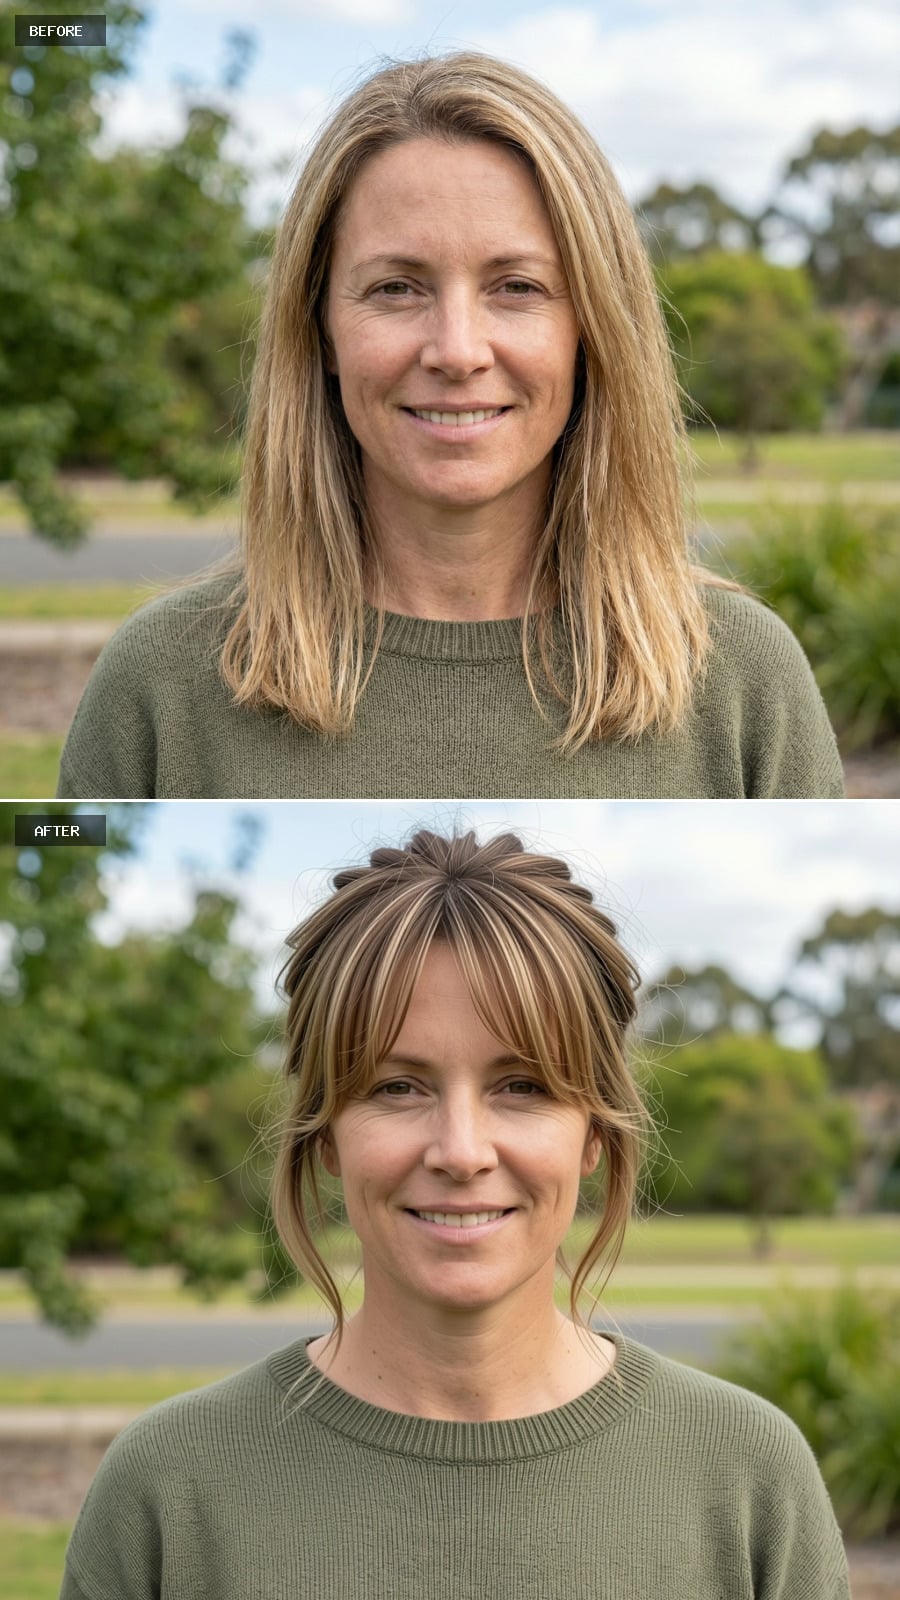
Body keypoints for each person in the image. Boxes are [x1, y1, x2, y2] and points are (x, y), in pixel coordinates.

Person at [60, 830, 851, 1599]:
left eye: (524, 1087)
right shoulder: (167, 1489)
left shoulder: (748, 1477)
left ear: (595, 1137)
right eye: (397, 1087)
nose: (461, 1151)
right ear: (326, 1135)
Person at [57, 52, 842, 800]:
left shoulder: (743, 679)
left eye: (517, 286)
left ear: (592, 329)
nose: (457, 351)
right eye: (396, 287)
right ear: (320, 327)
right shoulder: (159, 686)